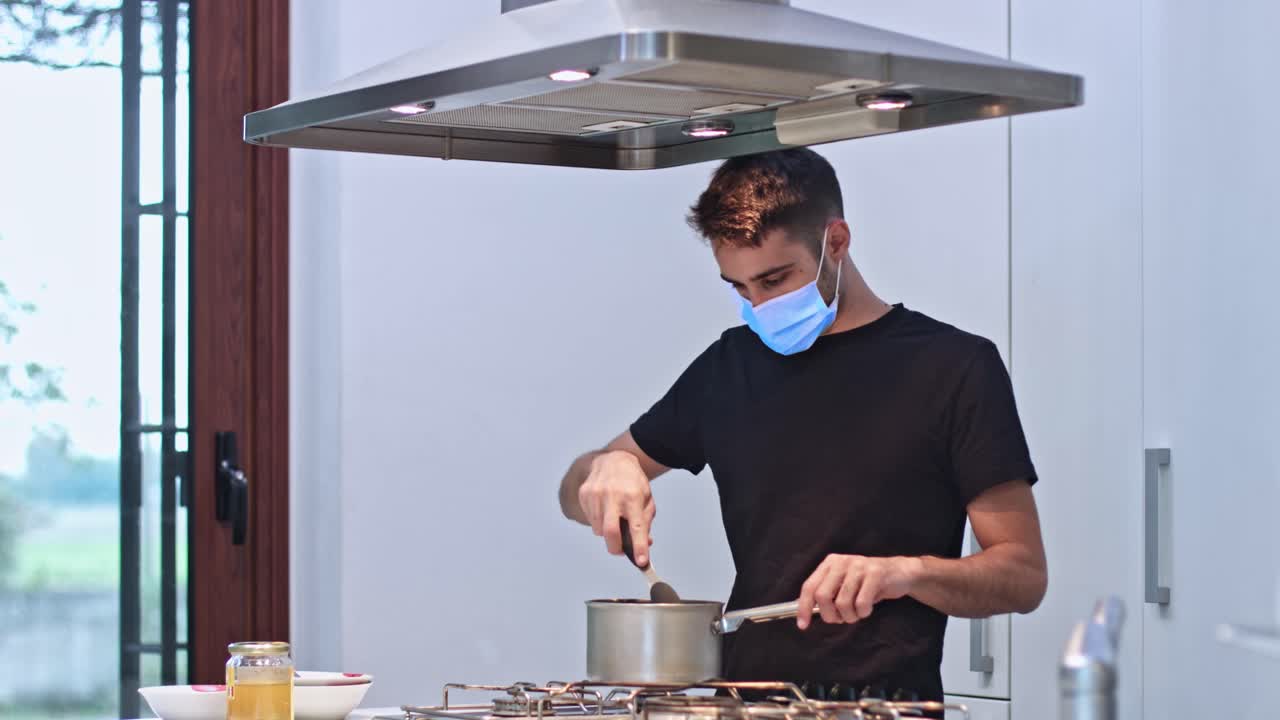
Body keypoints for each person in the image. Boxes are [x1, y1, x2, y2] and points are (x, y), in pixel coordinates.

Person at [557, 148, 1046, 703]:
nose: (759, 306)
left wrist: (906, 573)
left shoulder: (955, 368)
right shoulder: (729, 366)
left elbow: (1023, 574)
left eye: (774, 279)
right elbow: (572, 493)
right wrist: (610, 467)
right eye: (739, 288)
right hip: (743, 703)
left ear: (835, 242)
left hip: (884, 706)